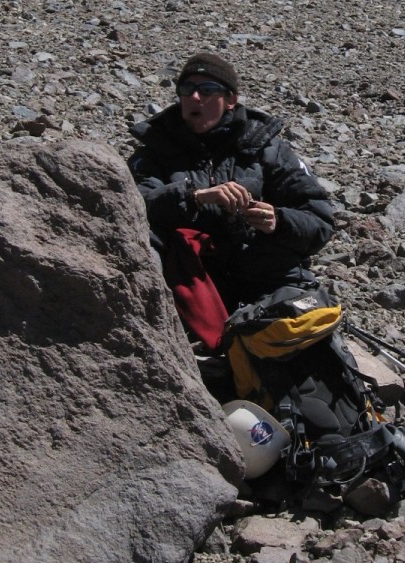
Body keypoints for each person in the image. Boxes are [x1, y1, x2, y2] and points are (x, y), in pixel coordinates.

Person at [129, 52, 334, 351]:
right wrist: (193, 197)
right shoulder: (154, 149)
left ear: (231, 100)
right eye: (187, 89)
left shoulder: (266, 148)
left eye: (207, 89)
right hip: (187, 284)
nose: (195, 97)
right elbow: (133, 205)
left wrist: (278, 221)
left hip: (263, 279)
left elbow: (319, 219)